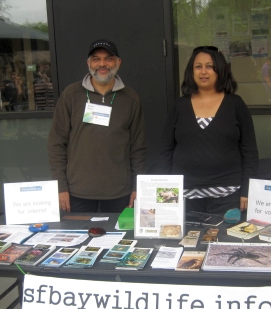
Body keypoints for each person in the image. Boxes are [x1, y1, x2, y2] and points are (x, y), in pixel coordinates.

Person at [47, 39, 146, 213]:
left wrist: (137, 187)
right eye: (96, 59)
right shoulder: (71, 95)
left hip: (119, 193)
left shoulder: (130, 98)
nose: (102, 64)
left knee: (118, 240)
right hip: (76, 192)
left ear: (118, 62)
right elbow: (56, 143)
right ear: (88, 63)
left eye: (108, 59)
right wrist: (60, 187)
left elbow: (138, 148)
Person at [157, 46, 258, 214]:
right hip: (184, 194)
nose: (203, 71)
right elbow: (165, 151)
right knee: (183, 240)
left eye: (210, 66)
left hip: (228, 195)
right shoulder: (179, 106)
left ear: (220, 70)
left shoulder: (235, 104)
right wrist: (162, 192)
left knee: (222, 239)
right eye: (198, 66)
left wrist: (247, 190)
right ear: (191, 71)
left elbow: (250, 151)